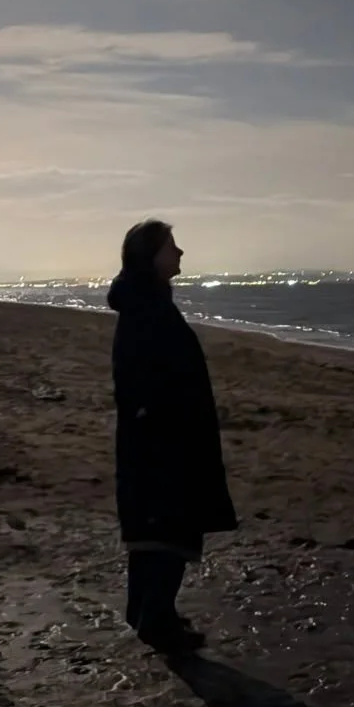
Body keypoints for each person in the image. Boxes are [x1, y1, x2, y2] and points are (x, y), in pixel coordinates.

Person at [107, 219, 237, 651]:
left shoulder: (148, 302)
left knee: (156, 530)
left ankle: (147, 611)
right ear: (150, 257)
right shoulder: (147, 307)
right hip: (163, 440)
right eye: (171, 247)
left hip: (159, 436)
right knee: (168, 529)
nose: (180, 253)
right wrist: (164, 424)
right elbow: (140, 377)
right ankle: (155, 619)